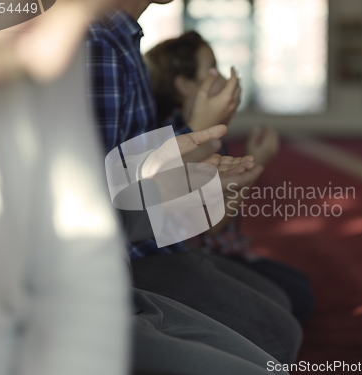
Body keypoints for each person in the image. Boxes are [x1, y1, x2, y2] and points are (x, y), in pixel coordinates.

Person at [86, 0, 302, 363]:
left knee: (286, 314)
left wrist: (201, 173)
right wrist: (195, 141)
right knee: (277, 338)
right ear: (184, 85)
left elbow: (116, 192)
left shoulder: (119, 39)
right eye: (211, 69)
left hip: (129, 251)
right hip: (102, 275)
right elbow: (97, 202)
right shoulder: (96, 42)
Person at [144, 30, 314, 324]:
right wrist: (254, 165)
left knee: (299, 286)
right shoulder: (179, 138)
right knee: (295, 299)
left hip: (226, 249)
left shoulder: (209, 133)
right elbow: (211, 225)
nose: (224, 78)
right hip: (201, 255)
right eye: (212, 69)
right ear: (184, 85)